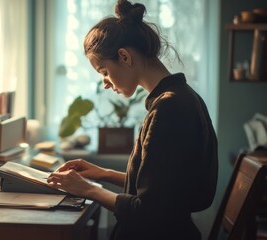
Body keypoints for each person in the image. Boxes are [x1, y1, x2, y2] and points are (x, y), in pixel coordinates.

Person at [47, 1, 218, 239]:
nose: (105, 82)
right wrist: (102, 173)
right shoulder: (184, 97)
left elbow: (148, 211)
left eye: (104, 71)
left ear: (125, 57)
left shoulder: (169, 109)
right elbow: (163, 186)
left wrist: (87, 189)